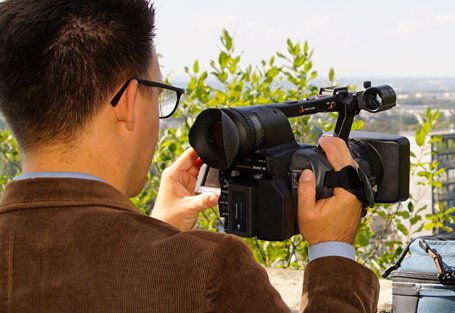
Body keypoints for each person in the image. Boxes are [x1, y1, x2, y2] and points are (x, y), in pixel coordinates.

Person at [0, 0, 377, 312]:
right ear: (128, 102)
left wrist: (157, 230)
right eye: (158, 94)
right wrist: (333, 249)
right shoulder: (206, 272)